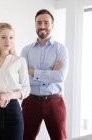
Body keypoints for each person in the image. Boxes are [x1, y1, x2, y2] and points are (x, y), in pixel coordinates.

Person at [21, 9, 69, 140]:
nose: (42, 26)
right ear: (35, 25)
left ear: (52, 25)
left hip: (54, 101)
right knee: (25, 137)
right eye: (39, 22)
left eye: (46, 23)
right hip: (30, 101)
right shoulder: (26, 50)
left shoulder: (61, 49)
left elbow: (60, 77)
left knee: (60, 138)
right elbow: (23, 78)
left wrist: (33, 72)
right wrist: (50, 73)